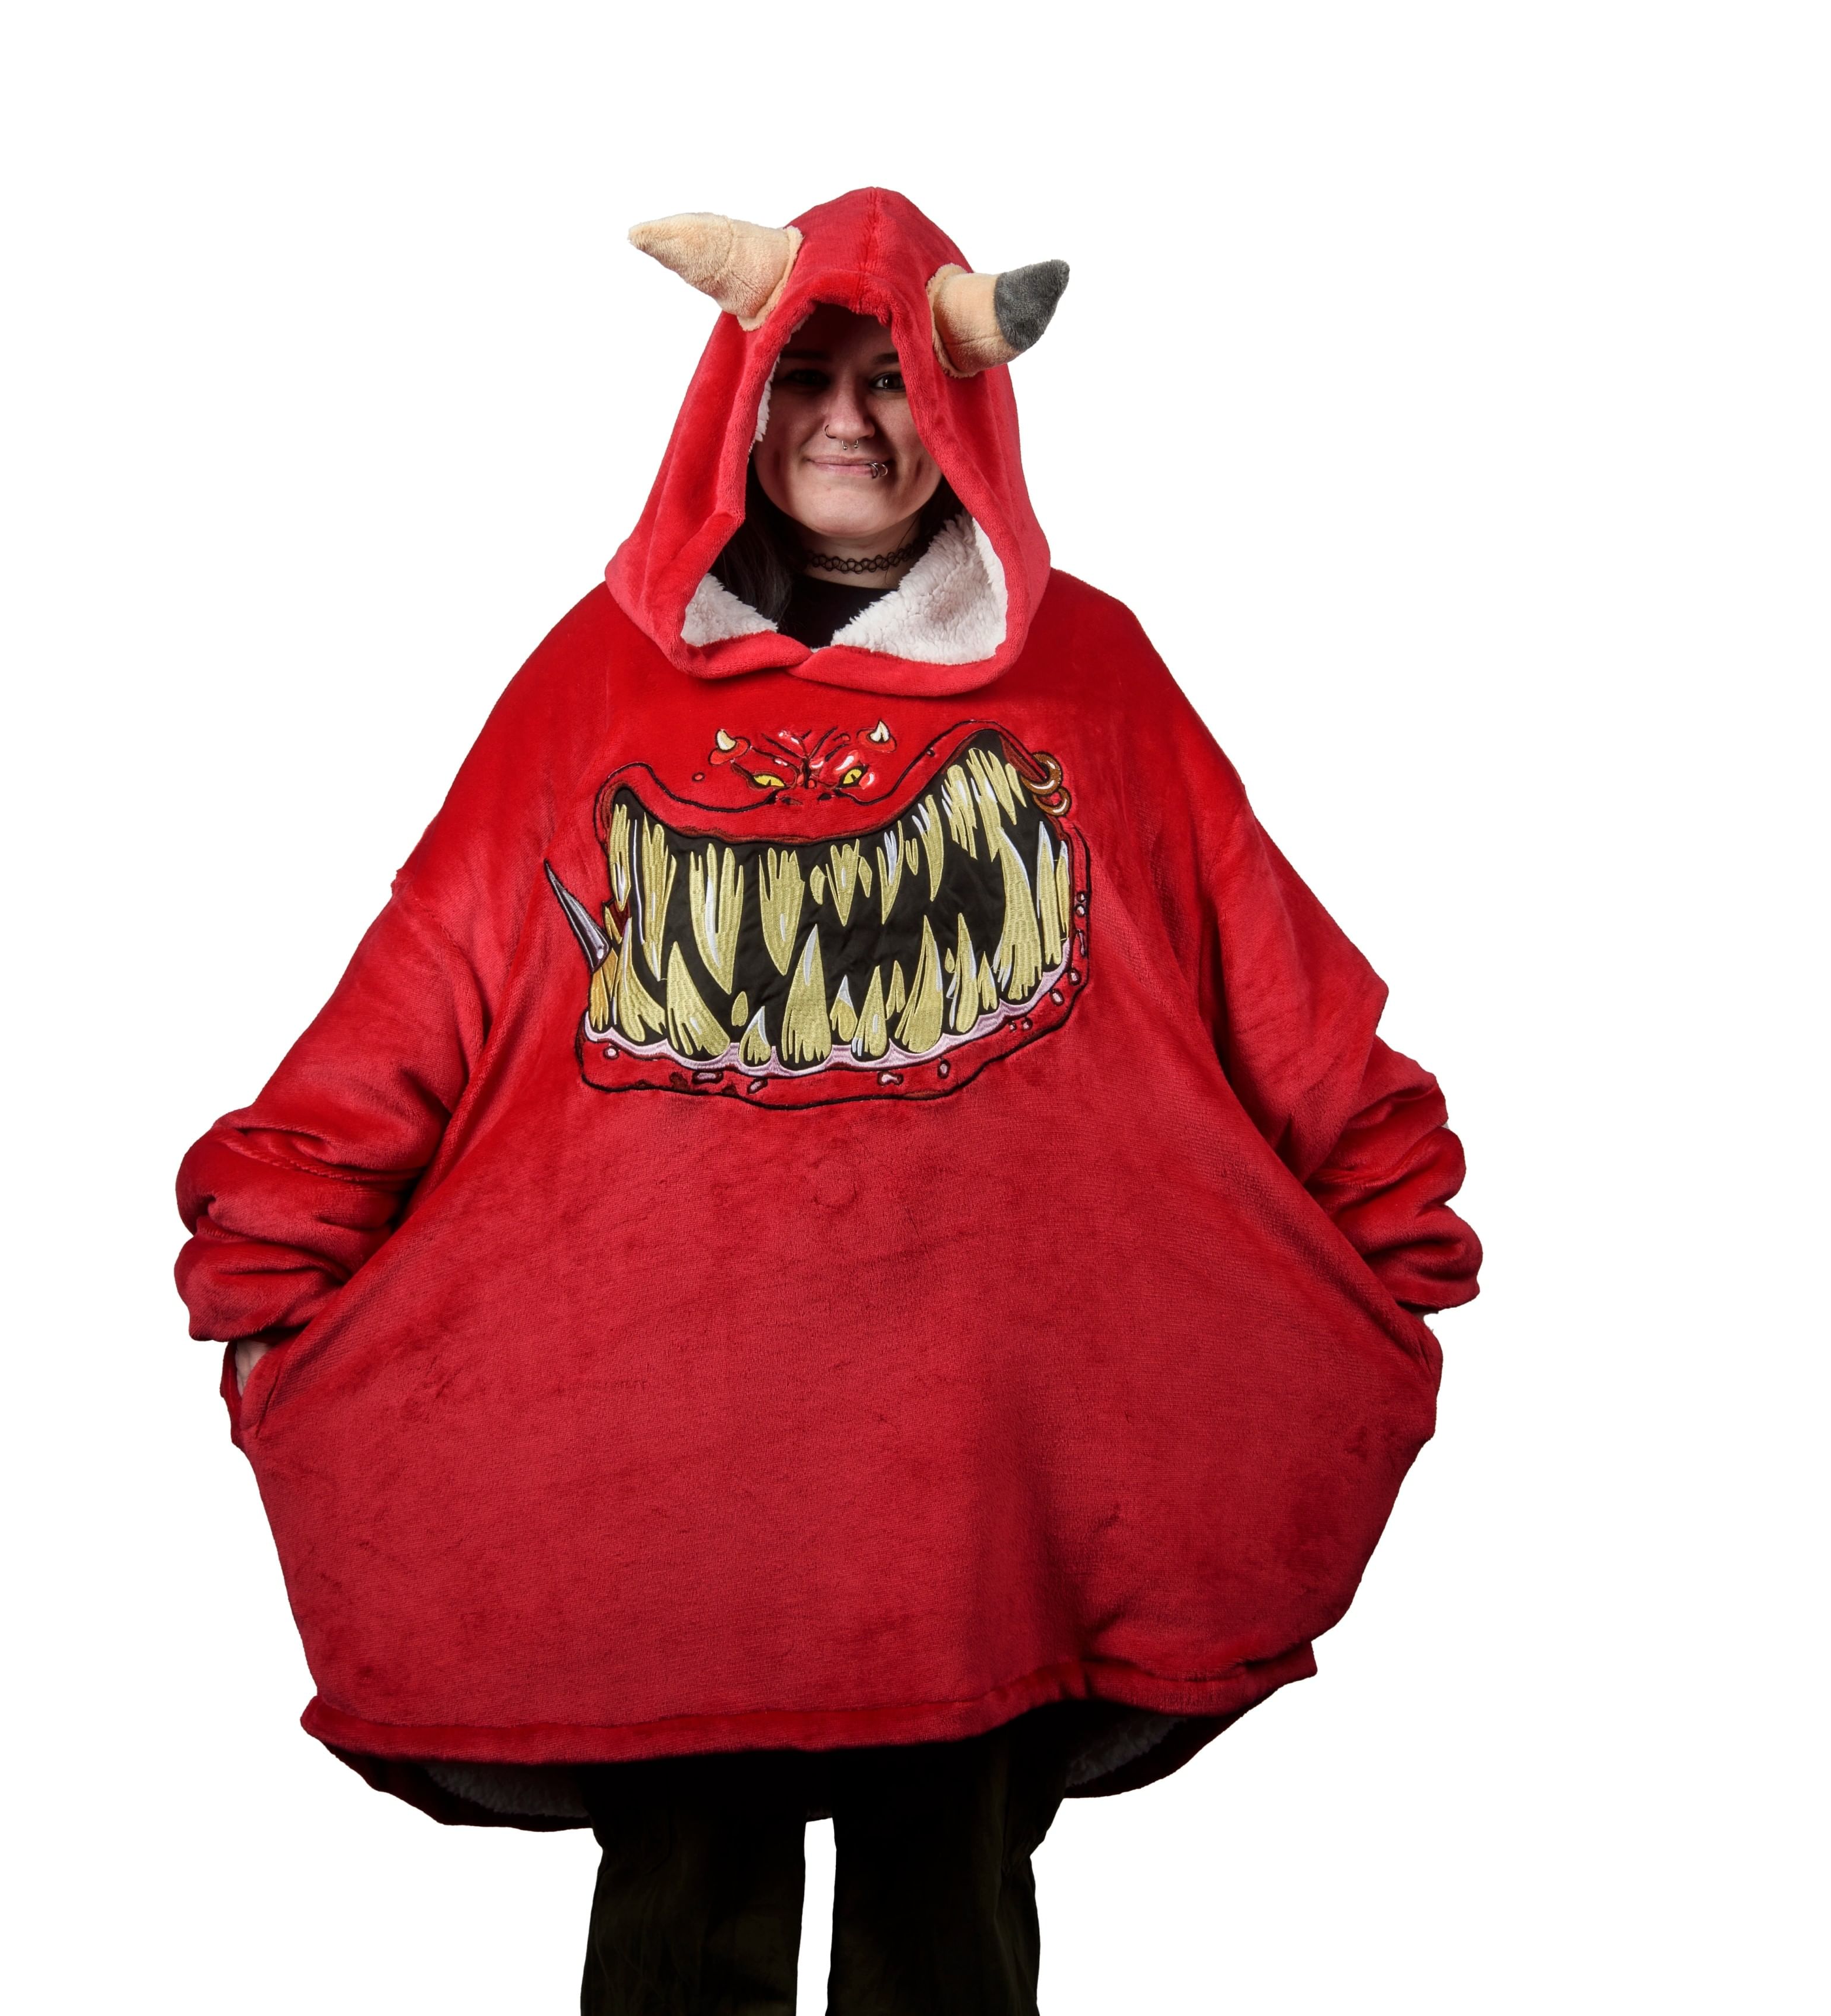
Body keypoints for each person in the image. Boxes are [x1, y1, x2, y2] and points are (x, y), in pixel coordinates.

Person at [178, 187, 1482, 2014]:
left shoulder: (1092, 675)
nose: (849, 421)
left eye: (892, 381)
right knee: (681, 1920)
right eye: (806, 376)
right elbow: (430, 982)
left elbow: (1258, 961)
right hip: (667, 1456)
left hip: (978, 1472)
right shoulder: (595, 681)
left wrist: (1382, 1215)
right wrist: (280, 1245)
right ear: (738, 400)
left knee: (943, 1929)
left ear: (963, 413)